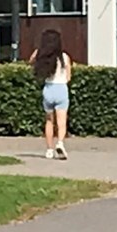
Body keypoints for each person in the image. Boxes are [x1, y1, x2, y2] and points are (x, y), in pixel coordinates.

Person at [33, 28, 72, 159]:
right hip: (61, 88)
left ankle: (49, 149)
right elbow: (68, 77)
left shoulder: (41, 56)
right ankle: (60, 143)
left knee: (49, 121)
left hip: (48, 89)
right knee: (62, 122)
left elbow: (31, 60)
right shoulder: (64, 57)